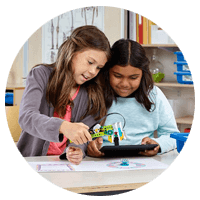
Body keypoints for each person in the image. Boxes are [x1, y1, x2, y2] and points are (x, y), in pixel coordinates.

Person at [17, 25, 111, 165]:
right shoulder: (40, 75)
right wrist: (64, 127)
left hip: (65, 165)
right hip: (32, 160)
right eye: (90, 62)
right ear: (72, 52)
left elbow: (86, 134)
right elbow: (26, 117)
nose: (93, 71)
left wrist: (77, 149)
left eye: (99, 67)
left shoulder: (92, 94)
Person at [87, 39, 179, 157]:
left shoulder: (154, 95)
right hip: (99, 163)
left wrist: (158, 144)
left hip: (144, 163)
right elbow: (76, 134)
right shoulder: (93, 93)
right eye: (118, 76)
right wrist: (88, 145)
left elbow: (173, 136)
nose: (125, 84)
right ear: (107, 71)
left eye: (133, 77)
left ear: (143, 74)